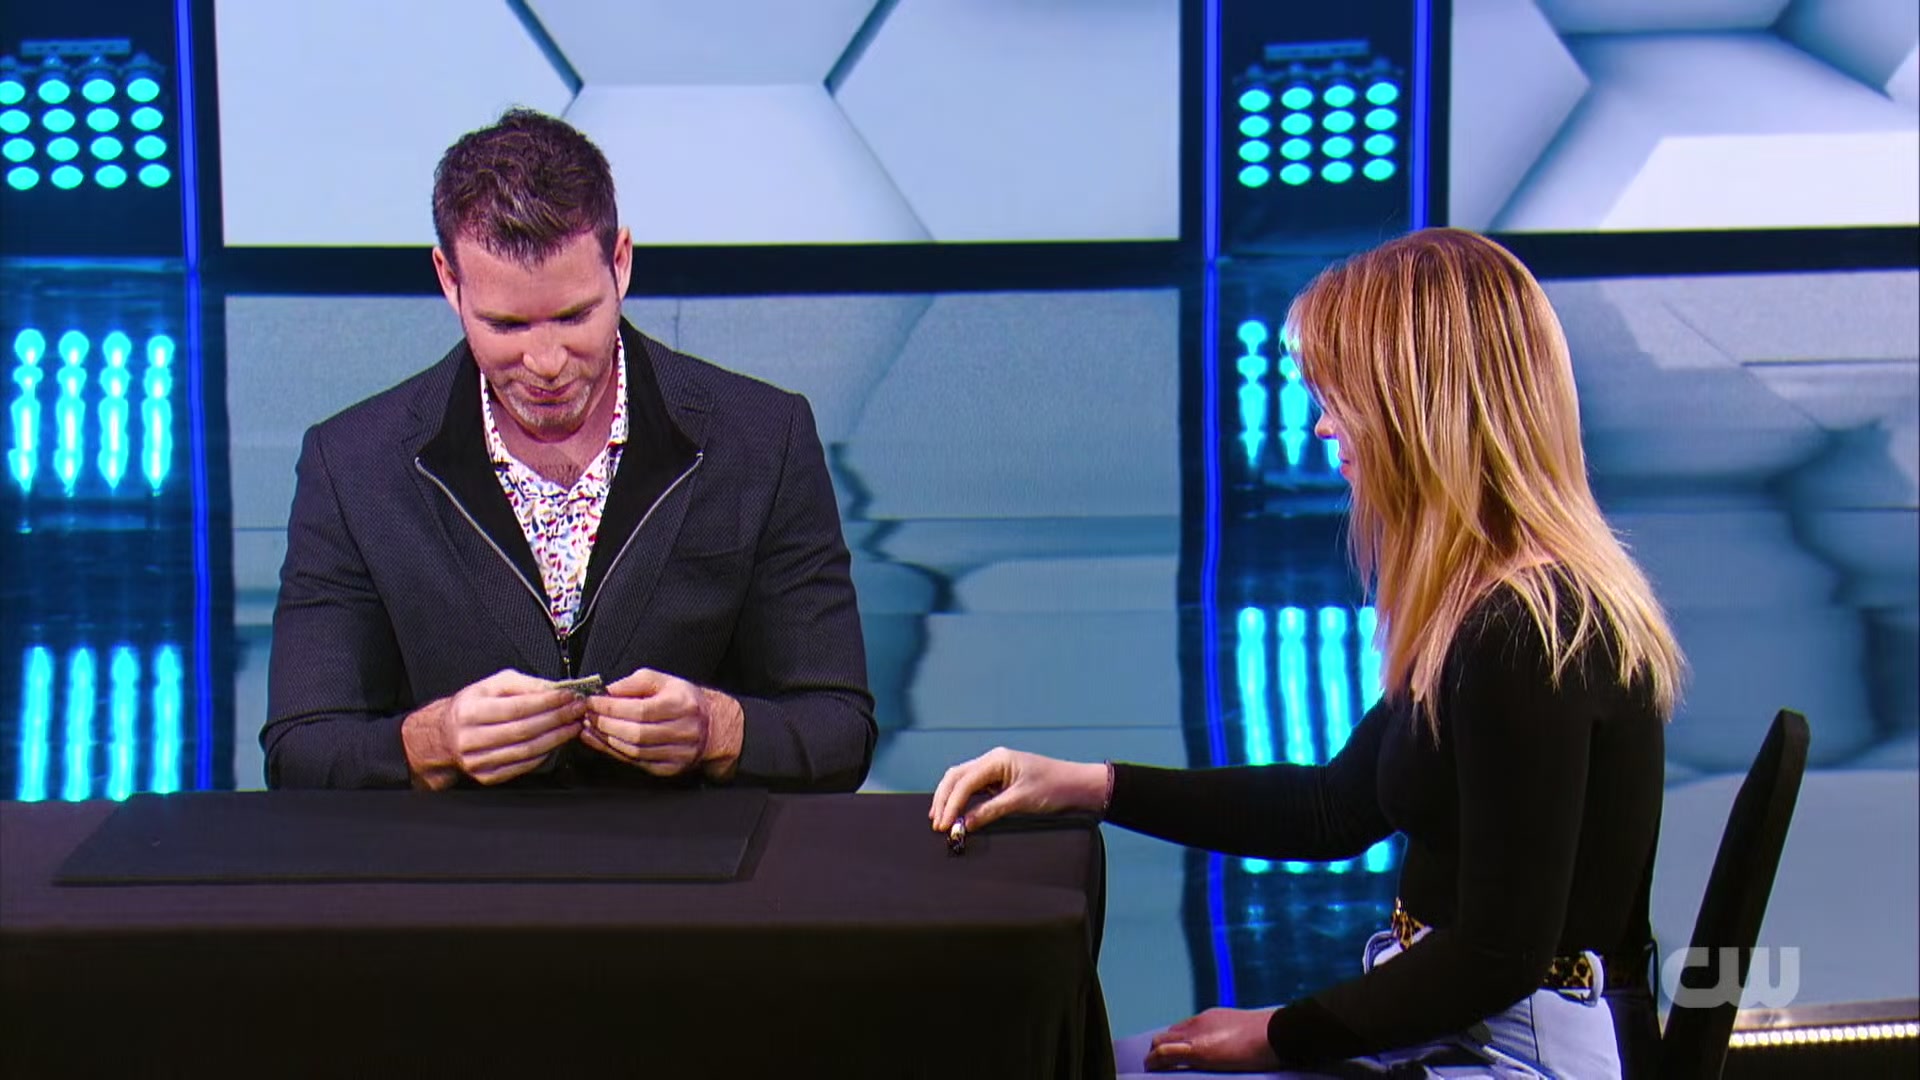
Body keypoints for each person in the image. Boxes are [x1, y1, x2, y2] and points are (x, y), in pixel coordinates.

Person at [930, 228, 1685, 1078]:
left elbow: (1495, 956)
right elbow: (1335, 808)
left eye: (1341, 401)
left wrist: (1279, 1033)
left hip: (1522, 1054)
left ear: (1420, 406)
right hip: (1472, 1027)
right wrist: (1088, 785)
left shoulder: (1527, 633)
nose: (1324, 427)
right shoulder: (1488, 605)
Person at [262, 108, 874, 792]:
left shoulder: (762, 439)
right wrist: (432, 741)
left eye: (574, 316)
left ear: (621, 262)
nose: (546, 362)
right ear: (448, 280)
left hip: (695, 854)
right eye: (507, 325)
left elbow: (840, 730)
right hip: (460, 856)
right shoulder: (353, 467)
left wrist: (717, 729)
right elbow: (300, 750)